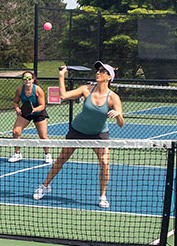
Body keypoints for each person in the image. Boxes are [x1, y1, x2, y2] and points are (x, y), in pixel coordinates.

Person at [33, 62, 124, 208]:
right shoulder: (86, 89)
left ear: (109, 77)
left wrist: (118, 115)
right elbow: (63, 95)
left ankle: (102, 196)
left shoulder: (113, 98)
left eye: (102, 71)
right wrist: (61, 76)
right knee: (61, 159)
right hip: (77, 131)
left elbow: (121, 123)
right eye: (98, 70)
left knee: (105, 164)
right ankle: (44, 186)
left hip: (99, 134)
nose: (98, 72)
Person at [8, 71, 52, 164]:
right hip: (25, 112)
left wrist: (34, 110)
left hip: (38, 112)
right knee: (16, 132)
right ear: (23, 80)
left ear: (33, 80)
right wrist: (17, 109)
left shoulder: (38, 90)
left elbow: (42, 105)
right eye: (25, 78)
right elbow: (15, 102)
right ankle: (17, 153)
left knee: (43, 136)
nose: (27, 80)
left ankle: (47, 154)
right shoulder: (19, 90)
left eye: (29, 78)